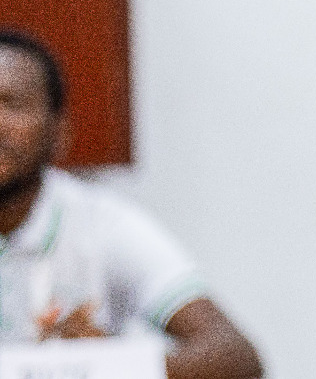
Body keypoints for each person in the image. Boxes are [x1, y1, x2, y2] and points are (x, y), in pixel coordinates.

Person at [0, 30, 261, 375]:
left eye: (11, 104)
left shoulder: (99, 223)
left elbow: (234, 356)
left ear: (58, 131)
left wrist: (106, 364)